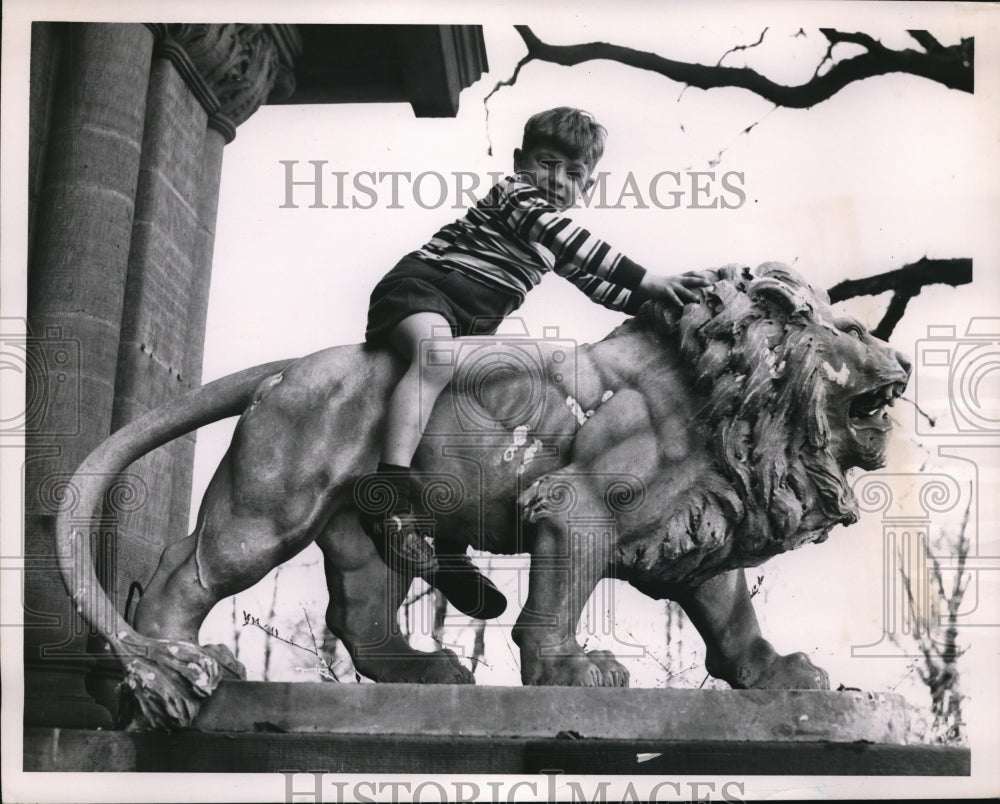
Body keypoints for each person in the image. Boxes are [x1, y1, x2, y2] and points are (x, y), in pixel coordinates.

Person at [361, 107, 708, 619]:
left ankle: (448, 552)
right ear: (521, 162)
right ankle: (387, 494)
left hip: (468, 327)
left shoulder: (551, 243)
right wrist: (648, 279)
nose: (557, 181)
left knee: (467, 420)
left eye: (574, 175)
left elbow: (599, 284)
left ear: (586, 186)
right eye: (547, 164)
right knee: (434, 360)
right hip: (424, 290)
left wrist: (656, 306)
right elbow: (578, 245)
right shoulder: (517, 198)